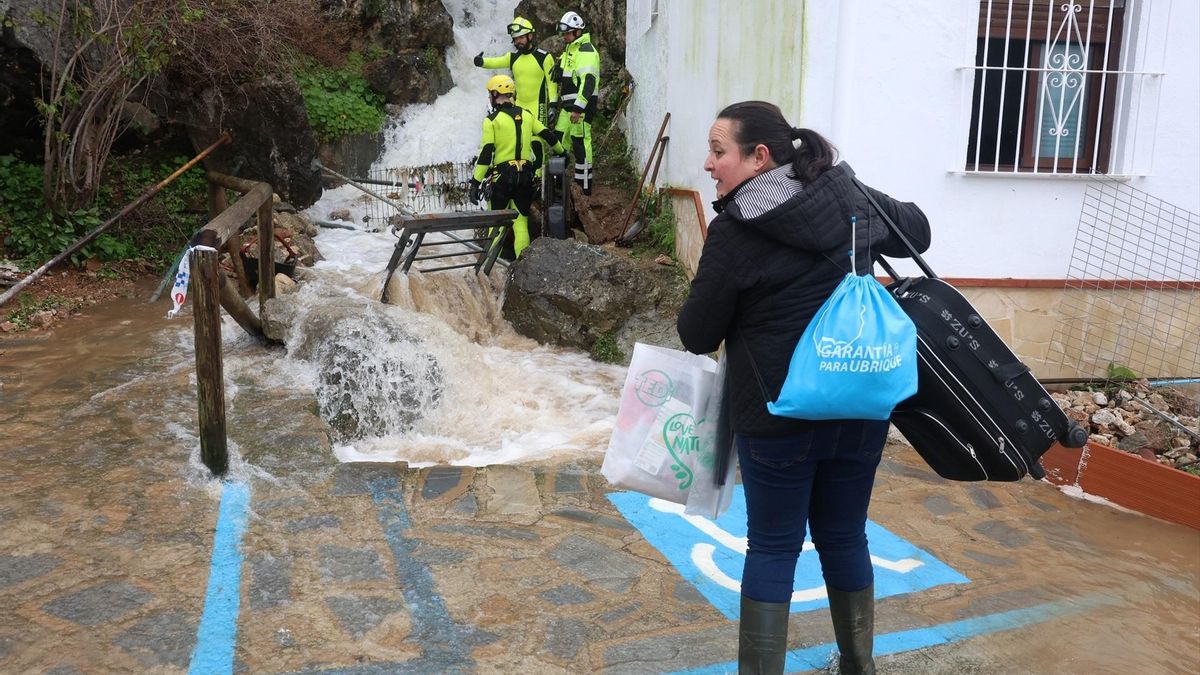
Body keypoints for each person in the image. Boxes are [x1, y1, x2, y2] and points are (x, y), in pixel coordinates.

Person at [676, 101, 931, 675]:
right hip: (861, 408)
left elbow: (696, 334)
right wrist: (855, 195)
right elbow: (918, 230)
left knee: (773, 546)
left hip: (777, 416)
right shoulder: (847, 200)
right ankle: (859, 666)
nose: (709, 165)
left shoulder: (735, 229)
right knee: (845, 537)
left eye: (719, 152)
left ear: (758, 156)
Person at [469, 75, 559, 259]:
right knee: (520, 225)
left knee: (497, 225)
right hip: (525, 176)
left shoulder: (492, 120)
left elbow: (486, 154)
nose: (489, 97)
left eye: (489, 94)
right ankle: (521, 270)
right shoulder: (527, 115)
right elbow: (547, 135)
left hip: (502, 178)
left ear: (495, 93)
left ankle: (491, 270)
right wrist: (562, 151)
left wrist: (475, 183)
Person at [472, 16, 558, 129]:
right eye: (516, 38)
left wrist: (553, 105)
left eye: (521, 37)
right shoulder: (512, 57)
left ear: (530, 36)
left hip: (538, 107)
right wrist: (481, 62)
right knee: (520, 142)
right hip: (519, 106)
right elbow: (496, 62)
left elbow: (552, 84)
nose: (518, 42)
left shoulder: (544, 57)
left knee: (537, 143)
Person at [553, 10, 600, 195]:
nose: (564, 37)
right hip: (567, 107)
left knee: (580, 142)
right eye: (563, 34)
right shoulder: (570, 50)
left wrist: (579, 108)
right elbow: (568, 76)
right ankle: (558, 182)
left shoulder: (586, 51)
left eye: (567, 33)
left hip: (580, 108)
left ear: (577, 31)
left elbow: (588, 82)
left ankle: (584, 186)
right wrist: (559, 66)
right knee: (559, 139)